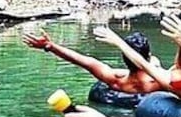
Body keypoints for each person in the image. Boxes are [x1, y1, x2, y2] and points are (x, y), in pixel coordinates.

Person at [23, 30, 163, 94]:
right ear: (148, 56)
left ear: (124, 58)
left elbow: (84, 61)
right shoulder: (161, 82)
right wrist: (154, 64)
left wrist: (50, 46)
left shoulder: (115, 80)